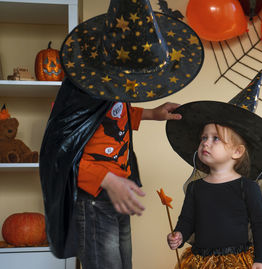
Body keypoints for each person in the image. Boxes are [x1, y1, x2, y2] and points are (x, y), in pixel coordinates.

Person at [39, 0, 204, 268]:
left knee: (123, 263)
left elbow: (115, 116)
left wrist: (152, 113)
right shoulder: (80, 91)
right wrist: (106, 180)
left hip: (118, 191)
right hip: (93, 198)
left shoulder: (112, 87)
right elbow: (60, 155)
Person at [165, 71, 262, 269]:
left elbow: (260, 225)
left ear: (237, 151)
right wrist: (179, 234)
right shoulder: (196, 188)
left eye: (216, 138)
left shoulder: (247, 187)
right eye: (204, 138)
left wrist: (261, 260)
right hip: (200, 261)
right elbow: (187, 219)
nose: (206, 143)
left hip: (235, 262)